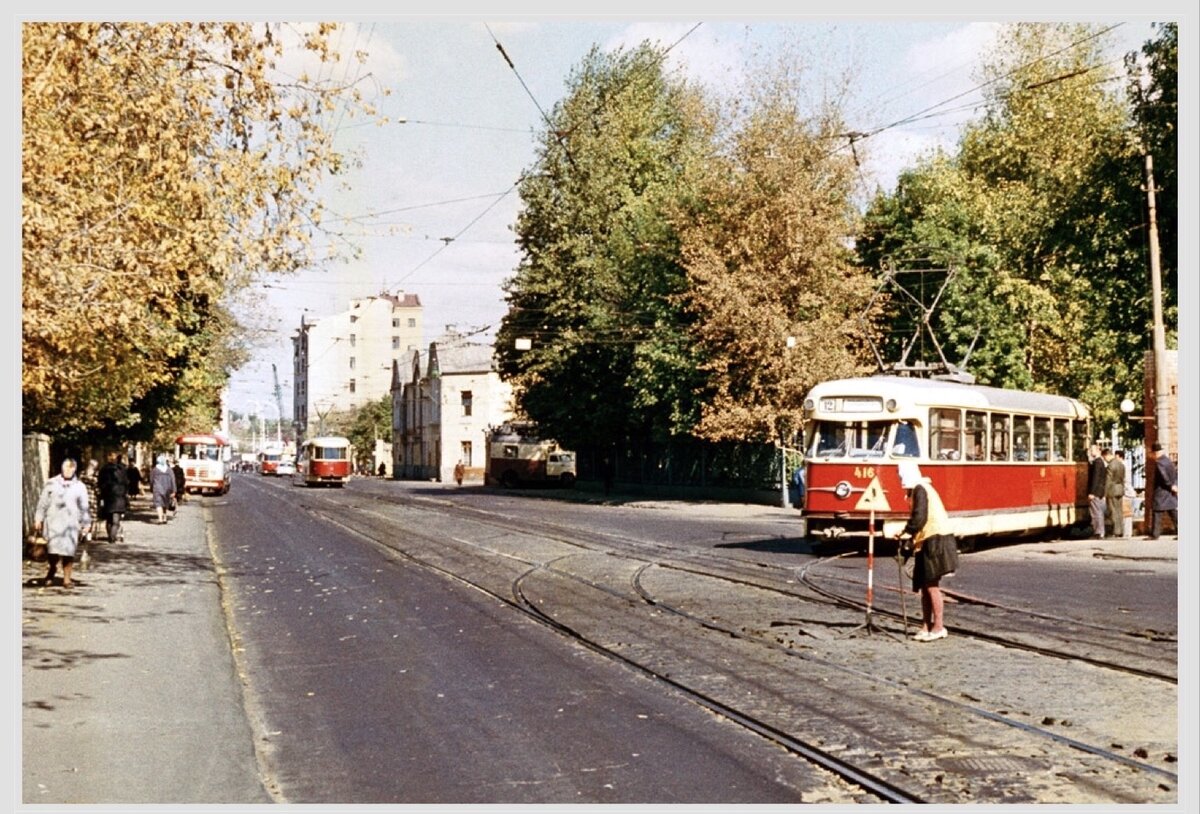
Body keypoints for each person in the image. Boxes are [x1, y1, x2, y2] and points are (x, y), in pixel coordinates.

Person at [897, 460, 958, 642]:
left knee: (931, 585)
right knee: (924, 586)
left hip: (936, 540)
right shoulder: (918, 489)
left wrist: (906, 532)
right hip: (928, 539)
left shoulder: (920, 488)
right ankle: (926, 626)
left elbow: (920, 517)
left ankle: (938, 627)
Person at [33, 458, 92, 589]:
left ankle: (67, 579)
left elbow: (84, 507)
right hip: (53, 522)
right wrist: (38, 518)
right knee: (52, 551)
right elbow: (42, 503)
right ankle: (52, 569)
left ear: (74, 469)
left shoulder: (80, 486)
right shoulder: (51, 483)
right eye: (66, 468)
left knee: (68, 552)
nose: (68, 471)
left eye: (71, 468)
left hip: (70, 524)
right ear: (61, 468)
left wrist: (86, 523)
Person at [1148, 442, 1178, 539]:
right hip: (1170, 492)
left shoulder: (1159, 463)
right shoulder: (1168, 461)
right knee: (1173, 512)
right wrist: (1174, 485)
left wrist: (1169, 485)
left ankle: (1155, 534)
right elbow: (1175, 474)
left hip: (1161, 491)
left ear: (1155, 453)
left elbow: (1163, 476)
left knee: (1157, 512)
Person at [97, 452, 129, 542]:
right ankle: (112, 536)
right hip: (119, 496)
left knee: (109, 518)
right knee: (116, 520)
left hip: (108, 496)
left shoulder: (104, 469)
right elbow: (126, 482)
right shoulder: (122, 469)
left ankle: (111, 536)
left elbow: (100, 482)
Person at [1086, 444, 1108, 539]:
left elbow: (1095, 479)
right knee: (1098, 512)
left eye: (1092, 450)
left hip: (1096, 492)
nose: (1091, 452)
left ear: (1098, 451)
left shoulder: (1097, 462)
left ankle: (1098, 532)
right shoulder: (1100, 462)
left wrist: (1092, 492)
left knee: (1096, 512)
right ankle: (1100, 531)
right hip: (1100, 491)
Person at [1104, 447, 1126, 538]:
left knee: (1112, 510)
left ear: (1107, 455)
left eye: (1105, 458)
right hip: (1120, 488)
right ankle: (1121, 530)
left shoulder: (1110, 466)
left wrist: (1105, 493)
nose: (1105, 460)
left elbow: (1108, 480)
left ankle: (1115, 531)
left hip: (1112, 489)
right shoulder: (1121, 465)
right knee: (1119, 510)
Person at [150, 454, 176, 524]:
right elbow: (173, 480)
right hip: (167, 488)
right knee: (165, 503)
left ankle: (160, 519)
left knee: (158, 504)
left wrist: (151, 488)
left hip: (157, 489)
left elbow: (151, 480)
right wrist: (174, 490)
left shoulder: (154, 470)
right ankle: (164, 517)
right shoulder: (169, 470)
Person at [79, 458, 101, 542]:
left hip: (83, 497)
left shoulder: (82, 474)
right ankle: (88, 533)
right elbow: (97, 488)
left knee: (84, 515)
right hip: (91, 498)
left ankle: (84, 532)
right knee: (91, 516)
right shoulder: (95, 476)